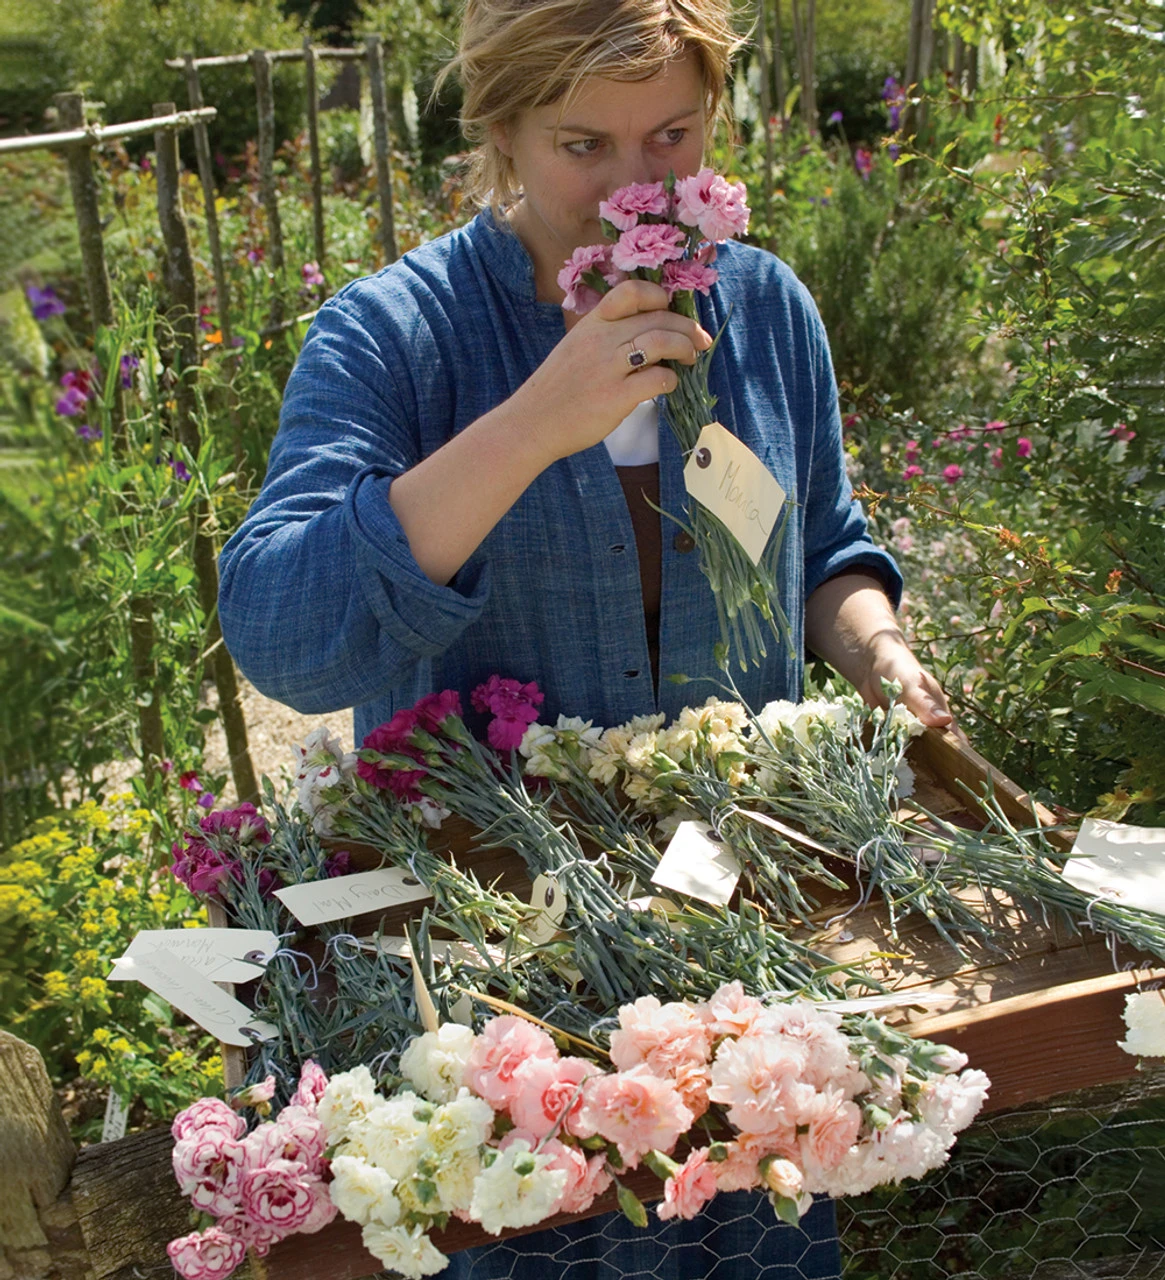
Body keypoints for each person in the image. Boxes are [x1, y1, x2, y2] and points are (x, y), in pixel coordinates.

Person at [219, 0, 953, 1274]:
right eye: (582, 146)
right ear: (501, 134)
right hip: (492, 994)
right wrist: (532, 422)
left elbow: (824, 542)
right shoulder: (395, 334)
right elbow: (284, 634)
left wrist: (875, 646)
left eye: (670, 136)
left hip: (740, 949)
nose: (636, 187)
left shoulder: (764, 309)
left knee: (748, 1238)